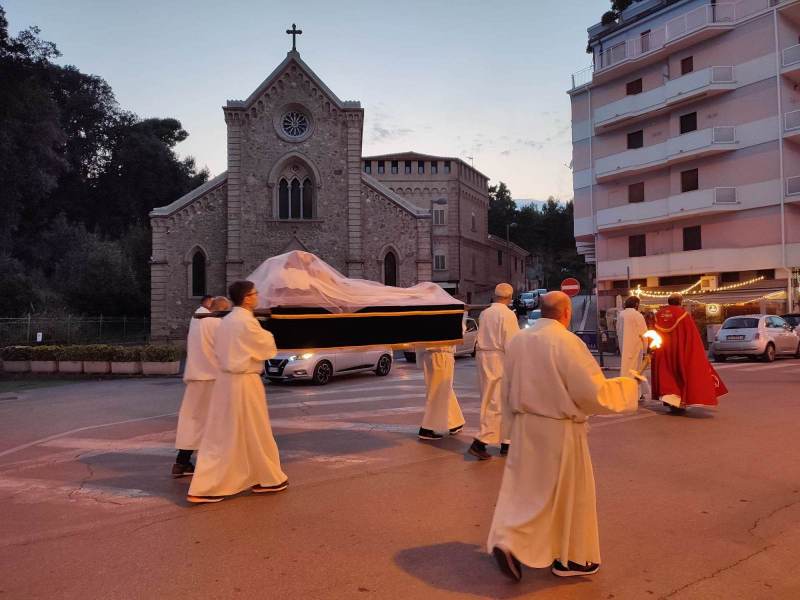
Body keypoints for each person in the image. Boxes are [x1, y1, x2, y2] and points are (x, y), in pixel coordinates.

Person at [487, 292, 638, 581]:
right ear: (566, 313)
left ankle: (510, 541)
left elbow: (506, 388)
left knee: (527, 492)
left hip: (524, 426)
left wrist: (507, 430)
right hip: (559, 429)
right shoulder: (567, 342)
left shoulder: (519, 340)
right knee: (571, 495)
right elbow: (591, 392)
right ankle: (571, 559)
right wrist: (629, 386)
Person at [187, 280, 288, 504]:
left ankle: (266, 477)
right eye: (254, 293)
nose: (257, 296)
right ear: (247, 298)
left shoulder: (227, 321)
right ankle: (211, 487)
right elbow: (267, 347)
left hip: (225, 381)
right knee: (251, 431)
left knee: (229, 433)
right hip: (244, 382)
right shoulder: (245, 322)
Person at [173, 295, 231, 477]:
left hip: (195, 376)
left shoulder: (196, 321)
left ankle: (181, 462)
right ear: (221, 311)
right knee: (216, 422)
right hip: (213, 378)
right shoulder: (217, 325)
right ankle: (214, 464)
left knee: (191, 421)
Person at [468, 283, 520, 460]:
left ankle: (507, 442)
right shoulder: (508, 315)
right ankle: (480, 442)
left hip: (483, 356)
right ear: (509, 297)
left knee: (493, 399)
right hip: (499, 358)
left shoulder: (485, 313)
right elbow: (512, 343)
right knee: (498, 401)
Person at [652, 294, 727, 413]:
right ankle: (679, 402)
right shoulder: (683, 315)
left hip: (662, 350)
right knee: (679, 375)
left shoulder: (658, 315)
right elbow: (692, 336)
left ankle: (669, 400)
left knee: (666, 375)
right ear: (680, 302)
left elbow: (653, 333)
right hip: (679, 350)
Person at [417, 342, 466, 441]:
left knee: (443, 389)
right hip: (440, 354)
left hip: (432, 354)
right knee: (438, 392)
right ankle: (427, 428)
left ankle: (454, 422)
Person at [616, 296, 649, 401]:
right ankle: (635, 393)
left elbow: (617, 330)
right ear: (636, 304)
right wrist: (645, 349)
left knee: (626, 368)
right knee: (636, 369)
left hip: (624, 345)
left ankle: (625, 391)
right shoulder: (637, 315)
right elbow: (644, 333)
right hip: (635, 346)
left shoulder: (621, 314)